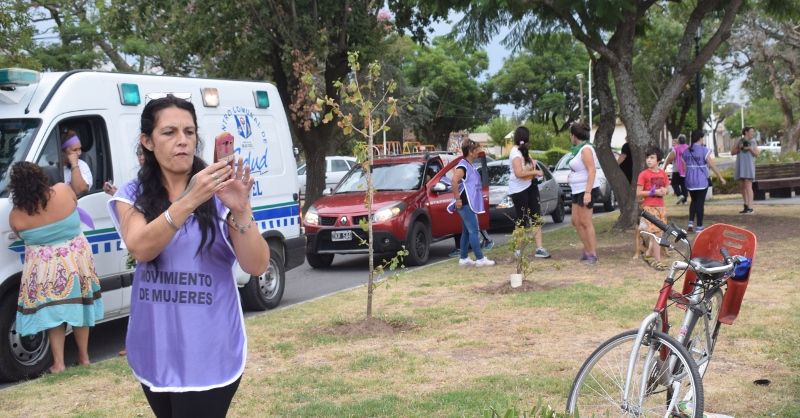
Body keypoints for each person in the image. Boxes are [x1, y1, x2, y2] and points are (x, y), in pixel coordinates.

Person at [107, 95, 268, 417]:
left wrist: (241, 209)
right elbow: (141, 247)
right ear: (147, 141)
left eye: (189, 132)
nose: (182, 140)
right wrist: (189, 199)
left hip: (209, 350)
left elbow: (257, 264)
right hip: (155, 347)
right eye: (169, 132)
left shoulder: (221, 191)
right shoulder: (133, 194)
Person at [7, 161, 103, 374]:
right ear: (41, 177)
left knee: (53, 315)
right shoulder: (63, 191)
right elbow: (76, 204)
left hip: (45, 270)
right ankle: (84, 357)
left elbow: (20, 235)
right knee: (80, 308)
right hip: (75, 263)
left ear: (16, 188)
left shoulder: (16, 216)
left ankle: (59, 363)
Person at [448, 140, 495, 267]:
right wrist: (457, 199)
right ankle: (480, 259)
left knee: (466, 231)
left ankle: (463, 258)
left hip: (469, 203)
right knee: (474, 231)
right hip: (465, 204)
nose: (479, 152)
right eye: (476, 150)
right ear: (470, 152)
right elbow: (454, 181)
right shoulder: (463, 166)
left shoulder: (469, 165)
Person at [508, 126, 550, 258]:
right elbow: (519, 173)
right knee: (521, 220)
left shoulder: (525, 151)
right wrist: (535, 171)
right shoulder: (515, 153)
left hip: (530, 186)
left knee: (536, 217)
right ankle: (518, 249)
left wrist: (534, 167)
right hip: (518, 190)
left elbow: (531, 165)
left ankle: (539, 248)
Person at [567, 123, 600, 264]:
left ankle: (592, 254)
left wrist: (588, 193)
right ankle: (587, 250)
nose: (570, 137)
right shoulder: (578, 150)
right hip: (577, 189)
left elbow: (592, 170)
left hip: (586, 189)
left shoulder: (586, 149)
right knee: (575, 221)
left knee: (586, 222)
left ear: (574, 135)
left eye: (570, 134)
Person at [682, 129, 726, 233]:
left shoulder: (686, 151)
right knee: (700, 204)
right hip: (701, 180)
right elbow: (712, 165)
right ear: (700, 138)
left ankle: (690, 223)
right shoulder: (704, 150)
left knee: (693, 201)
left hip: (690, 180)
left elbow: (684, 167)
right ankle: (699, 227)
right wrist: (720, 177)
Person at [636, 147, 670, 270]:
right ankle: (658, 261)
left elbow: (667, 188)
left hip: (661, 207)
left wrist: (664, 191)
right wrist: (653, 192)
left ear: (658, 160)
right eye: (647, 157)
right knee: (656, 233)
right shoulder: (643, 174)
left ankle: (649, 253)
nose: (649, 160)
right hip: (649, 207)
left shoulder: (663, 174)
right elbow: (638, 193)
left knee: (659, 233)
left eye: (652, 158)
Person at [732, 126, 759, 214]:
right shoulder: (739, 141)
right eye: (751, 131)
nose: (752, 133)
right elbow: (732, 152)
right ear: (746, 132)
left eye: (753, 132)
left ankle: (750, 207)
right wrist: (739, 147)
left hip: (748, 166)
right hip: (741, 165)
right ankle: (746, 205)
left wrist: (750, 148)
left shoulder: (753, 141)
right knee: (742, 187)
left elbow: (756, 154)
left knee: (748, 186)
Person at [61, 130, 94, 195]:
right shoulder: (54, 166)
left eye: (79, 149)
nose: (79, 153)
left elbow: (80, 191)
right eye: (75, 150)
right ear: (63, 152)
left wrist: (74, 165)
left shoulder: (82, 165)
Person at [662, 134, 689, 204]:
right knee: (683, 185)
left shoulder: (676, 148)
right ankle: (685, 200)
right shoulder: (688, 148)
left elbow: (670, 158)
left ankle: (680, 195)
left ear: (678, 141)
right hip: (686, 170)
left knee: (674, 183)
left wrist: (665, 166)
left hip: (677, 169)